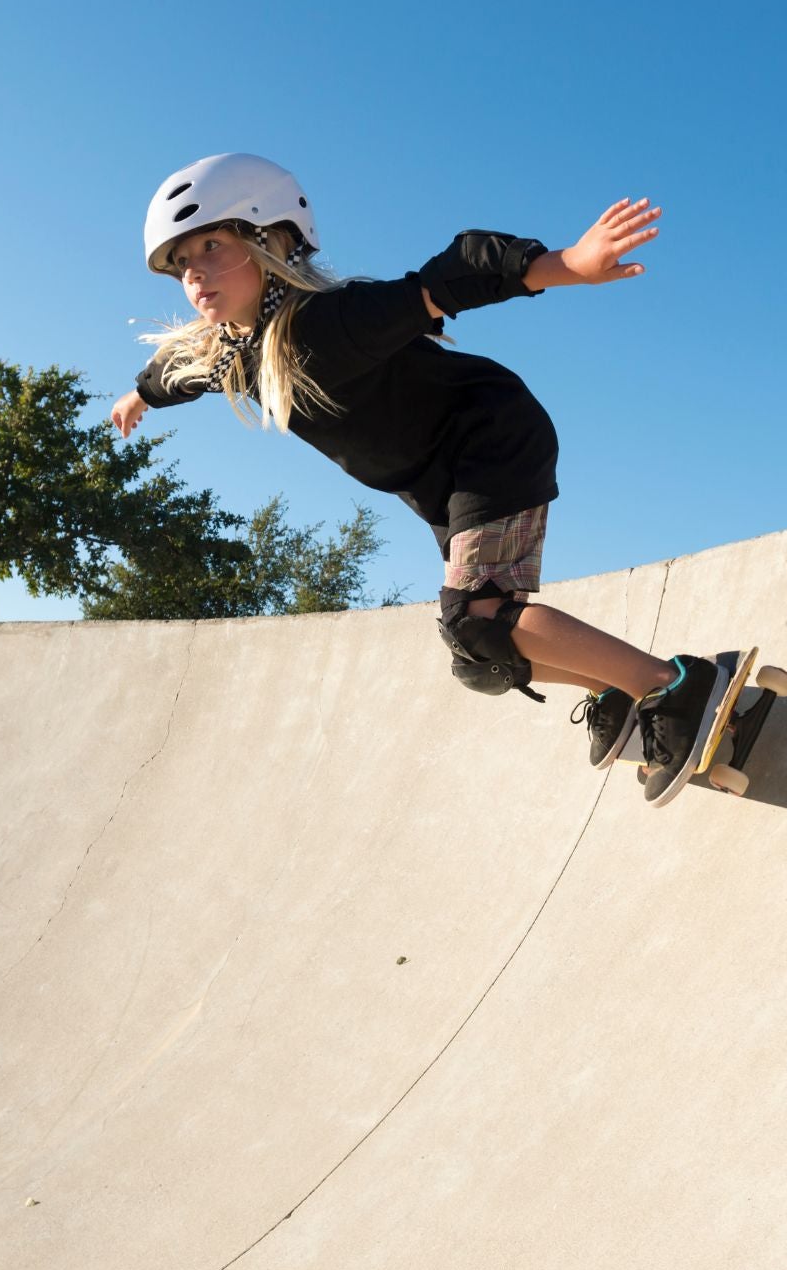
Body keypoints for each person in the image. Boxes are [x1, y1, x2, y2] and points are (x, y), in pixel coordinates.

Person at [111, 153, 729, 806]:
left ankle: (673, 685)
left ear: (271, 240)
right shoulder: (233, 356)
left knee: (480, 618)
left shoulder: (331, 321)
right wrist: (138, 398)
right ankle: (613, 686)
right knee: (476, 658)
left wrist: (565, 265)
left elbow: (442, 279)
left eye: (213, 244)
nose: (196, 271)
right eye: (181, 262)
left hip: (491, 441)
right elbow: (175, 372)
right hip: (443, 486)